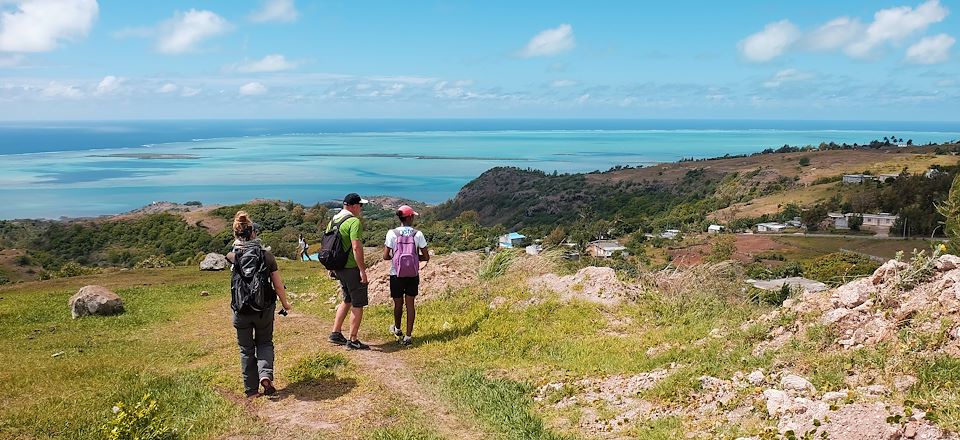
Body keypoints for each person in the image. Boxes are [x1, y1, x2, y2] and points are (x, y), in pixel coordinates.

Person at [227, 210, 293, 398]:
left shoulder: (231, 256)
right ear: (253, 233)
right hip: (263, 309)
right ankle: (265, 375)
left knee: (246, 349)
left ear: (236, 234)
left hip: (241, 309)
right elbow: (278, 285)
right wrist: (285, 304)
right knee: (264, 342)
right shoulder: (266, 256)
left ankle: (251, 390)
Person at [327, 193, 370, 350]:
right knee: (357, 303)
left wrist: (331, 267)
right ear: (352, 206)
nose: (361, 208)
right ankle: (353, 339)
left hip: (339, 268)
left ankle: (335, 332)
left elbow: (329, 246)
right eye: (360, 205)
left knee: (347, 299)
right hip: (351, 268)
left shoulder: (333, 220)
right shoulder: (354, 222)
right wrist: (362, 270)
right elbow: (356, 246)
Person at [383, 205, 429, 346]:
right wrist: (414, 259)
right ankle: (408, 337)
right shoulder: (418, 234)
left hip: (396, 273)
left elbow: (385, 256)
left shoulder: (392, 233)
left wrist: (398, 259)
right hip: (413, 274)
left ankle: (397, 329)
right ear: (410, 217)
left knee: (398, 304)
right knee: (410, 305)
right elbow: (426, 256)